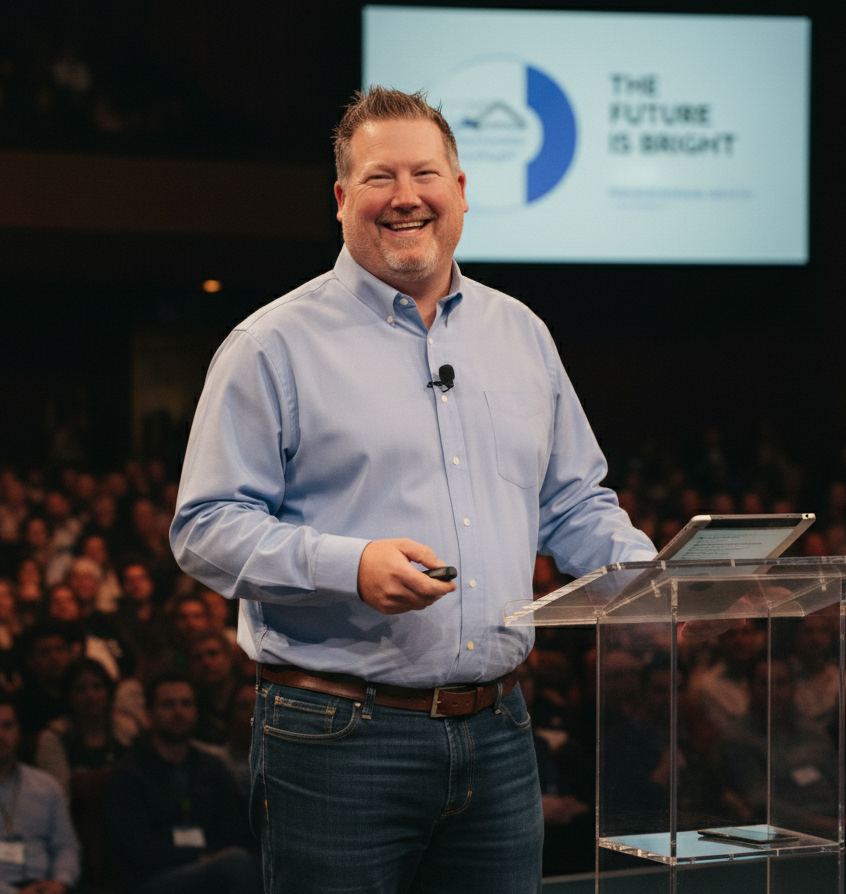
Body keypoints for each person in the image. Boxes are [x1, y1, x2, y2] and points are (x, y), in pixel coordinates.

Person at [170, 87, 656, 893]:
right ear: (340, 200)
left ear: (460, 191)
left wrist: (645, 574)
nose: (405, 196)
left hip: (501, 730)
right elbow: (204, 528)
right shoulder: (272, 345)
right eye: (378, 177)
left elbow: (572, 501)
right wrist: (347, 564)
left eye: (425, 173)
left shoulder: (521, 333)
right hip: (335, 736)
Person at [105, 672, 260, 894]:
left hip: (211, 866)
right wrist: (198, 856)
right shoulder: (129, 774)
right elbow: (137, 849)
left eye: (186, 704)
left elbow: (233, 829)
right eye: (168, 705)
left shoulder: (212, 768)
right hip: (152, 877)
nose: (179, 711)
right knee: (236, 865)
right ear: (148, 714)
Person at [0, 696, 80, 894]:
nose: (0, 735)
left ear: (18, 731)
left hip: (46, 886)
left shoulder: (46, 786)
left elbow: (66, 847)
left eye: (7, 726)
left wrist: (60, 882)